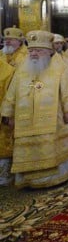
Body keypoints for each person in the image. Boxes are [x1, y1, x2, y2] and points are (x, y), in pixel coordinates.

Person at [0, 30, 68, 189]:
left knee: (53, 147)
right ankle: (29, 180)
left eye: (38, 50)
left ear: (48, 51)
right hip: (25, 120)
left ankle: (55, 177)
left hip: (55, 119)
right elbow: (11, 93)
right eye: (31, 50)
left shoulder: (60, 67)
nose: (33, 54)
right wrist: (8, 113)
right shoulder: (22, 68)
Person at [0, 56, 15, 186]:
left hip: (2, 117)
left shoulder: (8, 71)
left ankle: (4, 176)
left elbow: (11, 96)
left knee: (4, 145)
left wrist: (7, 114)